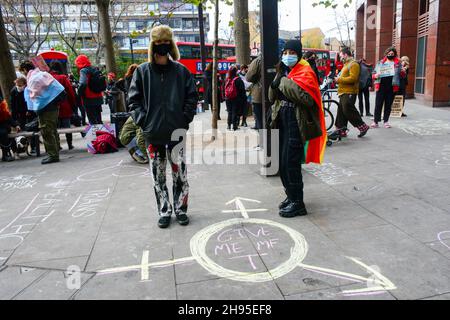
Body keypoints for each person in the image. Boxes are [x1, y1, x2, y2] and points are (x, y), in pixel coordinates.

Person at [128, 25, 198, 229]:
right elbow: (133, 101)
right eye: (158, 42)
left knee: (180, 174)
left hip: (177, 132)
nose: (162, 46)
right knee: (157, 175)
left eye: (166, 42)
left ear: (171, 44)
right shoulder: (142, 72)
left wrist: (185, 119)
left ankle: (181, 209)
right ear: (152, 45)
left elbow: (192, 97)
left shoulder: (181, 71)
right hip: (153, 133)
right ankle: (164, 210)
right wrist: (144, 121)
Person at [269, 40, 327, 218]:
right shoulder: (284, 71)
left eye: (291, 52)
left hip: (296, 121)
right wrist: (275, 83)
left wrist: (284, 82)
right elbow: (273, 97)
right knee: (282, 162)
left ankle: (298, 202)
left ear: (299, 54)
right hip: (282, 119)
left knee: (291, 163)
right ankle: (290, 195)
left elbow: (307, 99)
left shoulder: (306, 71)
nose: (287, 55)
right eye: (285, 52)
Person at [20, 60, 65, 164]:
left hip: (45, 107)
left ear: (26, 70)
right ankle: (55, 150)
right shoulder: (42, 74)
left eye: (23, 71)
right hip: (54, 104)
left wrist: (35, 108)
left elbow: (35, 96)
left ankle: (53, 155)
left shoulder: (33, 79)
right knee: (52, 129)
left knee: (46, 131)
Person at [330, 47, 370, 139]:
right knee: (341, 111)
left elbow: (353, 78)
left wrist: (339, 79)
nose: (340, 58)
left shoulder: (353, 64)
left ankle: (363, 127)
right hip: (343, 92)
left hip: (350, 92)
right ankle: (341, 130)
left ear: (345, 54)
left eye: (341, 56)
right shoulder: (347, 64)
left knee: (348, 110)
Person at [371, 47, 406, 129]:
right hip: (381, 86)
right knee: (378, 104)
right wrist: (375, 75)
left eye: (392, 54)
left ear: (395, 55)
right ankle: (376, 121)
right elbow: (373, 74)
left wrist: (403, 72)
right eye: (389, 54)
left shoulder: (397, 63)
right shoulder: (380, 63)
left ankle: (386, 121)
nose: (390, 55)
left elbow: (402, 75)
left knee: (388, 104)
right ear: (386, 54)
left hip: (392, 87)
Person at [49, 60, 76, 150]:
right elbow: (70, 92)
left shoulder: (47, 78)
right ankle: (69, 144)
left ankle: (57, 145)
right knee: (67, 126)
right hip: (64, 105)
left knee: (55, 127)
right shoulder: (63, 78)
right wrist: (73, 105)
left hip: (51, 106)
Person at [10, 77, 37, 154]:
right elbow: (13, 105)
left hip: (29, 112)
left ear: (24, 84)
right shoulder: (14, 91)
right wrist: (14, 117)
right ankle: (23, 147)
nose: (18, 86)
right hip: (20, 114)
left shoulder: (28, 89)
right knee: (22, 130)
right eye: (17, 85)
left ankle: (33, 147)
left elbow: (31, 100)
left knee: (31, 130)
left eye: (20, 85)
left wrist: (29, 110)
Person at [74, 55, 104, 125]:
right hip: (98, 97)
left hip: (89, 98)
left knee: (92, 121)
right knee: (99, 120)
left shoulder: (83, 70)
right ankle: (102, 135)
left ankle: (96, 135)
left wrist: (78, 93)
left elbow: (83, 83)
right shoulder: (95, 68)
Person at [224, 66, 246, 131]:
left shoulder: (227, 79)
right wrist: (243, 98)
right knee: (234, 111)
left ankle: (228, 125)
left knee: (229, 111)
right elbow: (242, 90)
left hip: (227, 98)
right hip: (236, 98)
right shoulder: (238, 79)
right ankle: (234, 126)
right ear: (236, 72)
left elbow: (224, 88)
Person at [246, 56, 263, 131]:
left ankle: (264, 141)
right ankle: (273, 141)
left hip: (259, 95)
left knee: (261, 121)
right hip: (275, 95)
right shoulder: (278, 57)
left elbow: (249, 77)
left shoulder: (258, 61)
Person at [0, 97, 19, 162]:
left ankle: (6, 154)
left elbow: (8, 117)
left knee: (3, 133)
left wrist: (16, 125)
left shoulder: (2, 106)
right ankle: (6, 154)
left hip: (3, 126)